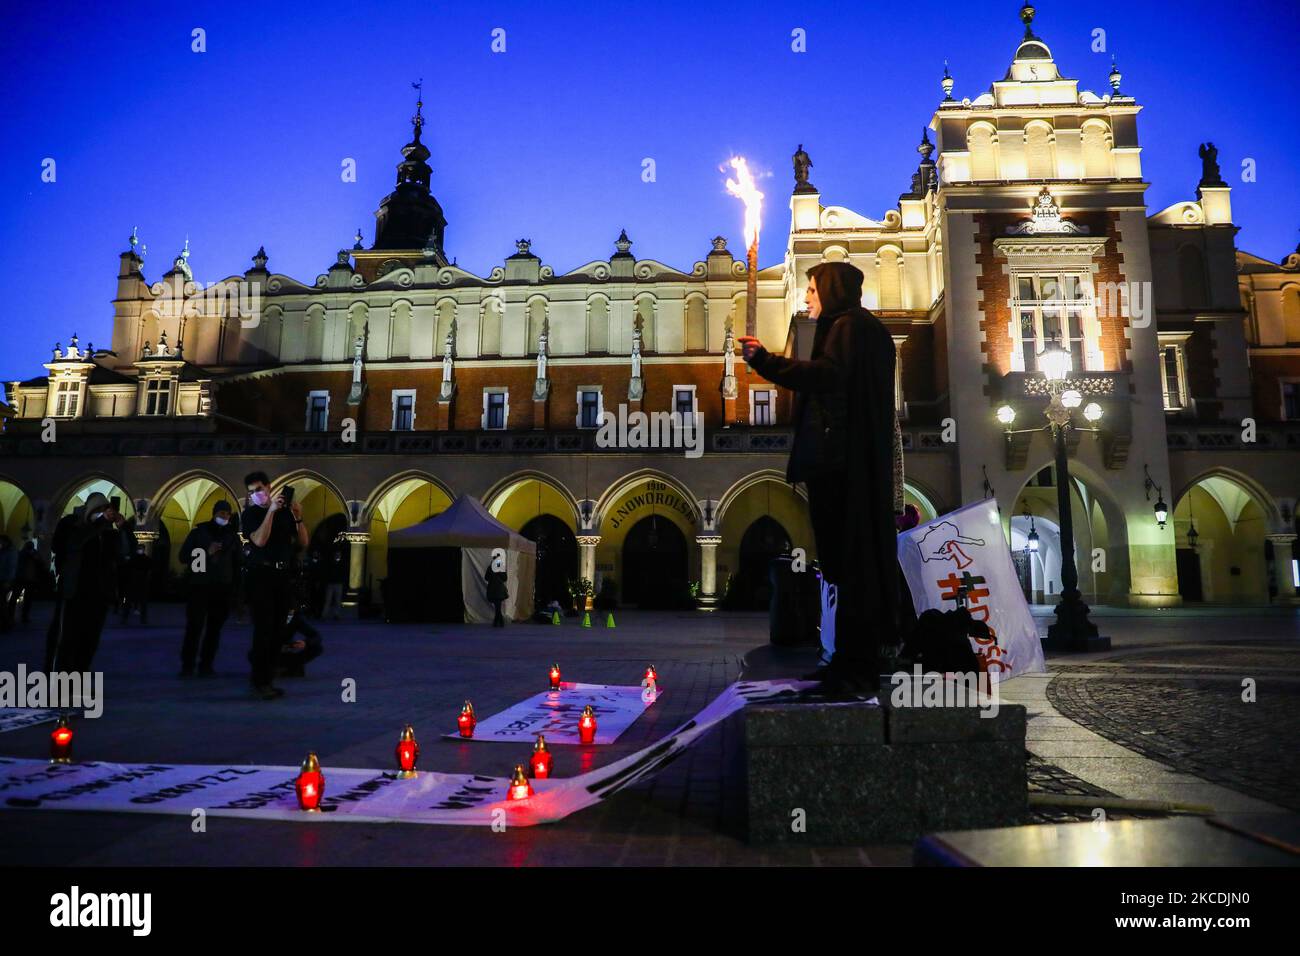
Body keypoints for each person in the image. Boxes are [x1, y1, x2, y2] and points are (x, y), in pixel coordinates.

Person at [738, 261, 899, 699]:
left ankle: (855, 671)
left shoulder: (851, 327)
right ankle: (846, 666)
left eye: (812, 289)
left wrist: (767, 362)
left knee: (852, 570)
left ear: (831, 289)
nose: (806, 297)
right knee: (846, 572)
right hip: (841, 464)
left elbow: (828, 378)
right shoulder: (850, 329)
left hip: (844, 467)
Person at [240, 472, 307, 700]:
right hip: (261, 576)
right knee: (264, 630)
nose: (256, 494)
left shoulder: (285, 513)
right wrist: (269, 512)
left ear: (269, 487)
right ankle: (259, 681)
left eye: (258, 489)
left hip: (282, 576)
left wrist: (298, 518)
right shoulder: (250, 514)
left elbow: (302, 543)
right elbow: (259, 540)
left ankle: (267, 679)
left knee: (279, 631)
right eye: (251, 492)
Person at [47, 493, 129, 673]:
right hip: (74, 590)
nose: (104, 514)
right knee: (66, 639)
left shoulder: (108, 532)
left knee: (90, 640)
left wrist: (124, 528)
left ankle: (79, 676)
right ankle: (58, 681)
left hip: (100, 593)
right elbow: (70, 544)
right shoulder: (72, 524)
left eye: (105, 510)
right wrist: (99, 523)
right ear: (90, 509)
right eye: (99, 510)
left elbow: (124, 555)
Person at [178, 499, 241, 677]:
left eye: (228, 514)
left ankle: (206, 665)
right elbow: (184, 556)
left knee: (214, 630)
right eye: (222, 513)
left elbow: (237, 564)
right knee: (195, 627)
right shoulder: (200, 532)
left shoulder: (232, 536)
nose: (225, 517)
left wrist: (236, 590)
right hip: (200, 586)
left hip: (222, 589)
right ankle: (187, 665)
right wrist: (206, 551)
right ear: (215, 513)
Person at [10, 539, 42, 626]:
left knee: (21, 599)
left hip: (24, 579)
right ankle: (20, 616)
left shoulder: (22, 553)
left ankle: (15, 616)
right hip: (26, 579)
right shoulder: (30, 554)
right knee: (25, 599)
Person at [119, 544, 152, 624]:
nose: (140, 550)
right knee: (130, 601)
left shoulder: (144, 559)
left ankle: (141, 619)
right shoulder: (135, 559)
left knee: (141, 602)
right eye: (139, 548)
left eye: (141, 549)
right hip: (134, 581)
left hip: (140, 582)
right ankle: (126, 618)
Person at [321, 545, 347, 620]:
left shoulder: (337, 564)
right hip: (333, 583)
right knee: (330, 600)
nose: (338, 556)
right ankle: (326, 614)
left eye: (338, 555)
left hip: (336, 583)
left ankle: (335, 614)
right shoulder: (334, 563)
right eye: (337, 554)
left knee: (336, 600)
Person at [0, 536, 16, 632]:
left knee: (2, 602)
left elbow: (11, 567)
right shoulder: (4, 552)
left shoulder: (10, 552)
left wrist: (8, 581)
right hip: (3, 579)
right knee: (2, 602)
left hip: (5, 580)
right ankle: (6, 623)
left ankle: (6, 623)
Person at [485, 562, 508, 627]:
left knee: (497, 606)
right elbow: (486, 577)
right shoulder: (490, 568)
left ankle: (498, 622)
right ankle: (500, 621)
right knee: (497, 606)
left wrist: (498, 572)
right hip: (493, 589)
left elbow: (505, 578)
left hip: (498, 589)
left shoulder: (501, 568)